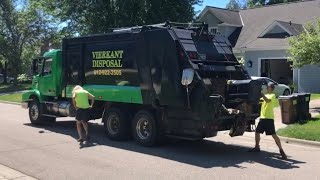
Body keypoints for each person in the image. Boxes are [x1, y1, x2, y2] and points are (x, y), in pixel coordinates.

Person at [249, 82, 287, 160]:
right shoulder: (265, 96)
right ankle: (257, 147)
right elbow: (259, 101)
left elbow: (268, 101)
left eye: (268, 87)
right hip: (263, 117)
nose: (266, 88)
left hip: (269, 118)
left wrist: (262, 94)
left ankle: (281, 150)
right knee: (257, 132)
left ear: (271, 88)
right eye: (266, 87)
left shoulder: (273, 96)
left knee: (273, 134)